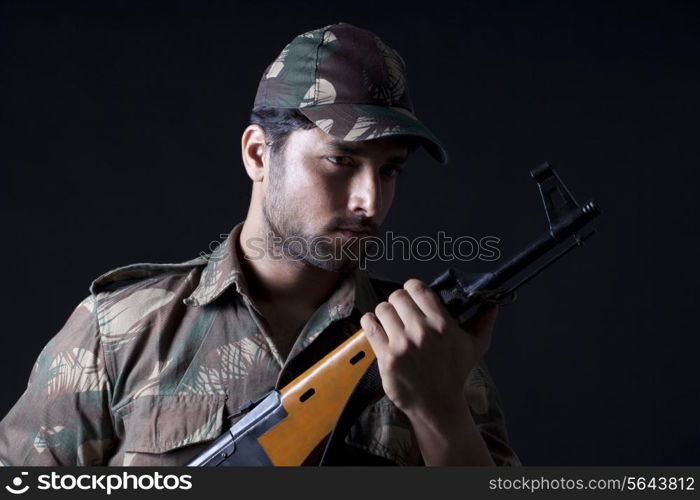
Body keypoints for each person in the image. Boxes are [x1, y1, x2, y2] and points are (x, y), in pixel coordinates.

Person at [0, 22, 520, 466]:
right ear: (257, 155)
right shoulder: (118, 332)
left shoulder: (429, 346)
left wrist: (440, 410)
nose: (370, 200)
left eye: (389, 170)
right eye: (341, 161)